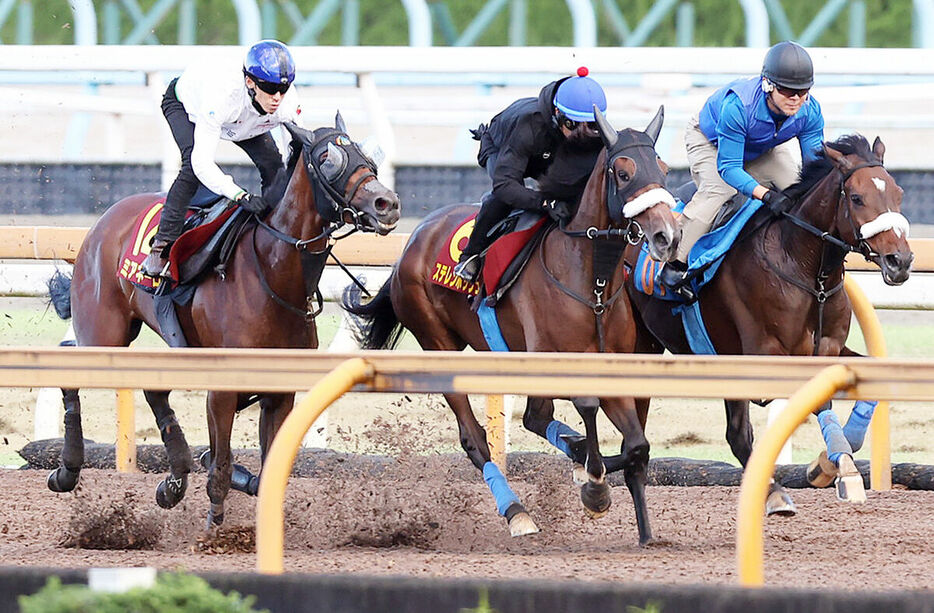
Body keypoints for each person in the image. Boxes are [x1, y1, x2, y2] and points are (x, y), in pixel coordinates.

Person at [658, 40, 825, 300]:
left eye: (802, 91)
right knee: (719, 191)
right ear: (768, 85)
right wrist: (766, 195)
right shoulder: (738, 107)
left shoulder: (810, 112)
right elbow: (729, 168)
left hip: (760, 147)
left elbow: (815, 169)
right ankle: (674, 264)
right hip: (710, 142)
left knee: (797, 190)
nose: (795, 99)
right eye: (787, 90)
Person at [141, 39, 304, 278]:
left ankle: (272, 232)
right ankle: (161, 246)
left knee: (275, 167)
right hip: (186, 106)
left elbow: (297, 153)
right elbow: (202, 163)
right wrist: (241, 195)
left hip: (245, 122)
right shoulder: (223, 97)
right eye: (269, 89)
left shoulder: (287, 103)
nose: (277, 97)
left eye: (284, 89)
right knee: (190, 169)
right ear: (250, 82)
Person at [452, 67, 608, 281]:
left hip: (548, 152)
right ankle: (470, 256)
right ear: (557, 114)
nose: (580, 134)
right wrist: (546, 203)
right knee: (503, 198)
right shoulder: (529, 124)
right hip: (503, 146)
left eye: (591, 126)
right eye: (572, 125)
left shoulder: (588, 130)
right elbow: (504, 185)